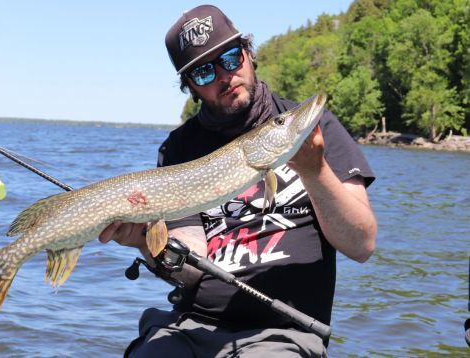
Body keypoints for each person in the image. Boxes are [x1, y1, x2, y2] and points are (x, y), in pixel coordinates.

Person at [99, 4, 377, 357]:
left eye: (230, 58)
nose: (223, 76)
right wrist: (144, 243)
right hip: (190, 328)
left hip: (282, 334)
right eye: (203, 73)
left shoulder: (315, 132)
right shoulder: (179, 148)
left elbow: (361, 244)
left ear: (248, 52)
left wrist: (314, 169)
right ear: (189, 86)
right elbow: (190, 265)